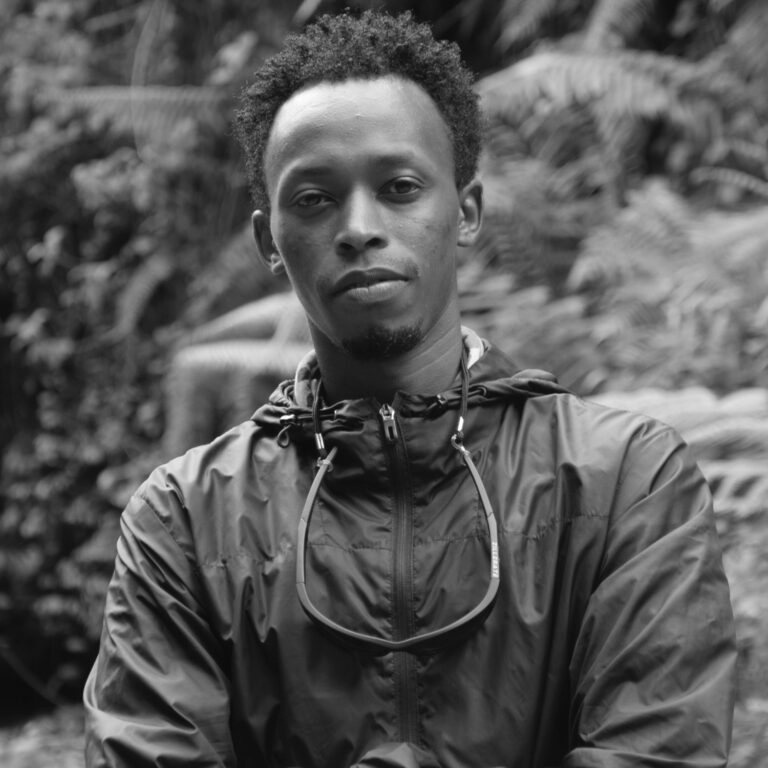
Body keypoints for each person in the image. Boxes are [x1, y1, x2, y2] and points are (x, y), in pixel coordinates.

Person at [83, 10, 737, 768]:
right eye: (314, 198)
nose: (358, 227)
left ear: (464, 211)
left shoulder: (626, 480)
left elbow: (658, 750)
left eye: (398, 186)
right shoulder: (186, 523)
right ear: (269, 241)